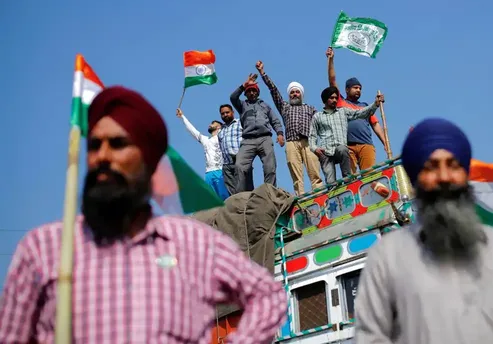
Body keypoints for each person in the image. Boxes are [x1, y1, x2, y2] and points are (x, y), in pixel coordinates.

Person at [0, 86, 287, 343]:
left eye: (117, 144)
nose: (102, 156)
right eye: (94, 145)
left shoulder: (192, 243)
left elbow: (268, 296)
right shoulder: (44, 250)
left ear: (149, 162)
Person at [354, 117, 493, 344]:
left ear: (465, 176)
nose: (444, 177)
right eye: (431, 167)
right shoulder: (388, 258)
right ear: (417, 180)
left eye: (452, 165)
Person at [256, 60, 323, 196]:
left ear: (301, 94)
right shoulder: (285, 107)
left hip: (309, 142)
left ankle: (319, 196)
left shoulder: (310, 108)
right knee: (296, 175)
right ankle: (301, 199)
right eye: (292, 92)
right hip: (291, 142)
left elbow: (320, 124)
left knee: (315, 172)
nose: (294, 94)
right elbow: (273, 90)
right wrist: (263, 73)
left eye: (297, 92)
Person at [326, 47, 388, 173]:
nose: (358, 90)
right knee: (351, 178)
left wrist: (385, 142)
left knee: (369, 176)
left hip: (366, 144)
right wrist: (331, 60)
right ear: (347, 90)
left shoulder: (365, 106)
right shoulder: (341, 102)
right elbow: (332, 81)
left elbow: (375, 125)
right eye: (355, 88)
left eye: (360, 88)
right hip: (348, 145)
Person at [309, 86, 383, 185]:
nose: (335, 100)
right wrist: (315, 149)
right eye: (331, 98)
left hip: (340, 148)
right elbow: (312, 136)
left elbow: (360, 113)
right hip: (325, 152)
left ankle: (348, 182)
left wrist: (375, 104)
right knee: (331, 183)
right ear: (325, 100)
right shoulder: (317, 116)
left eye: (336, 98)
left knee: (343, 150)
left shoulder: (343, 111)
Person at [230, 74, 285, 192]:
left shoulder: (265, 106)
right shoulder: (243, 105)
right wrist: (244, 85)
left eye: (254, 90)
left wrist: (280, 134)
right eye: (249, 91)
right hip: (248, 140)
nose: (251, 93)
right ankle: (241, 196)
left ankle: (269, 193)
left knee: (270, 167)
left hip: (265, 138)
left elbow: (275, 121)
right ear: (245, 93)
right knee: (240, 166)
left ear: (257, 93)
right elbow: (233, 98)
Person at [176, 108, 229, 200]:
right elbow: (193, 131)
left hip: (220, 171)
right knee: (211, 199)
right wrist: (182, 117)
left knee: (224, 196)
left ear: (219, 127)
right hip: (208, 173)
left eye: (212, 123)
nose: (209, 125)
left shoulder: (222, 137)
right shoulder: (206, 140)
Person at [218, 103, 248, 195]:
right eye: (223, 114)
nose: (225, 115)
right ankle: (237, 209)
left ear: (233, 112)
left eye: (227, 112)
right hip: (227, 165)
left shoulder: (240, 123)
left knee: (245, 190)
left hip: (240, 161)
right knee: (232, 194)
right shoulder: (221, 130)